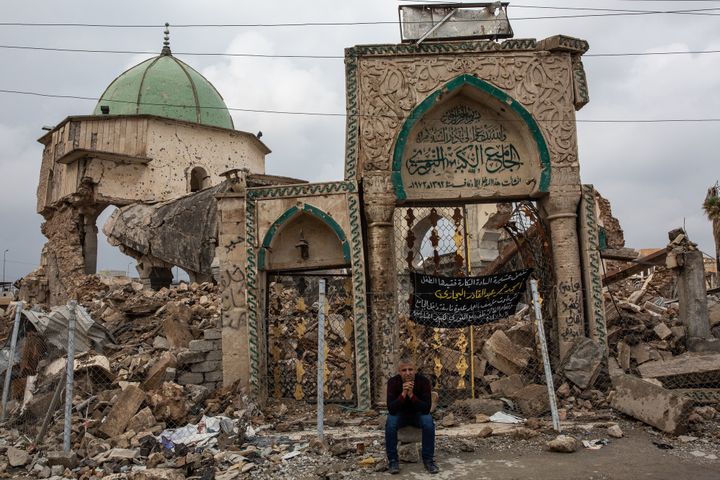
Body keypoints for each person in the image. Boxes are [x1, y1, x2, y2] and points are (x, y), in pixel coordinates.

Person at [385, 357, 439, 475]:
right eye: (404, 370)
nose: (408, 373)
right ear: (399, 371)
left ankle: (428, 460)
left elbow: (426, 409)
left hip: (418, 414)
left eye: (410, 369)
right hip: (400, 414)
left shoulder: (423, 381)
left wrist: (411, 395)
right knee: (390, 423)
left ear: (415, 370)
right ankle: (393, 461)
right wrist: (403, 394)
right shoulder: (393, 382)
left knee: (428, 423)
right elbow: (391, 409)